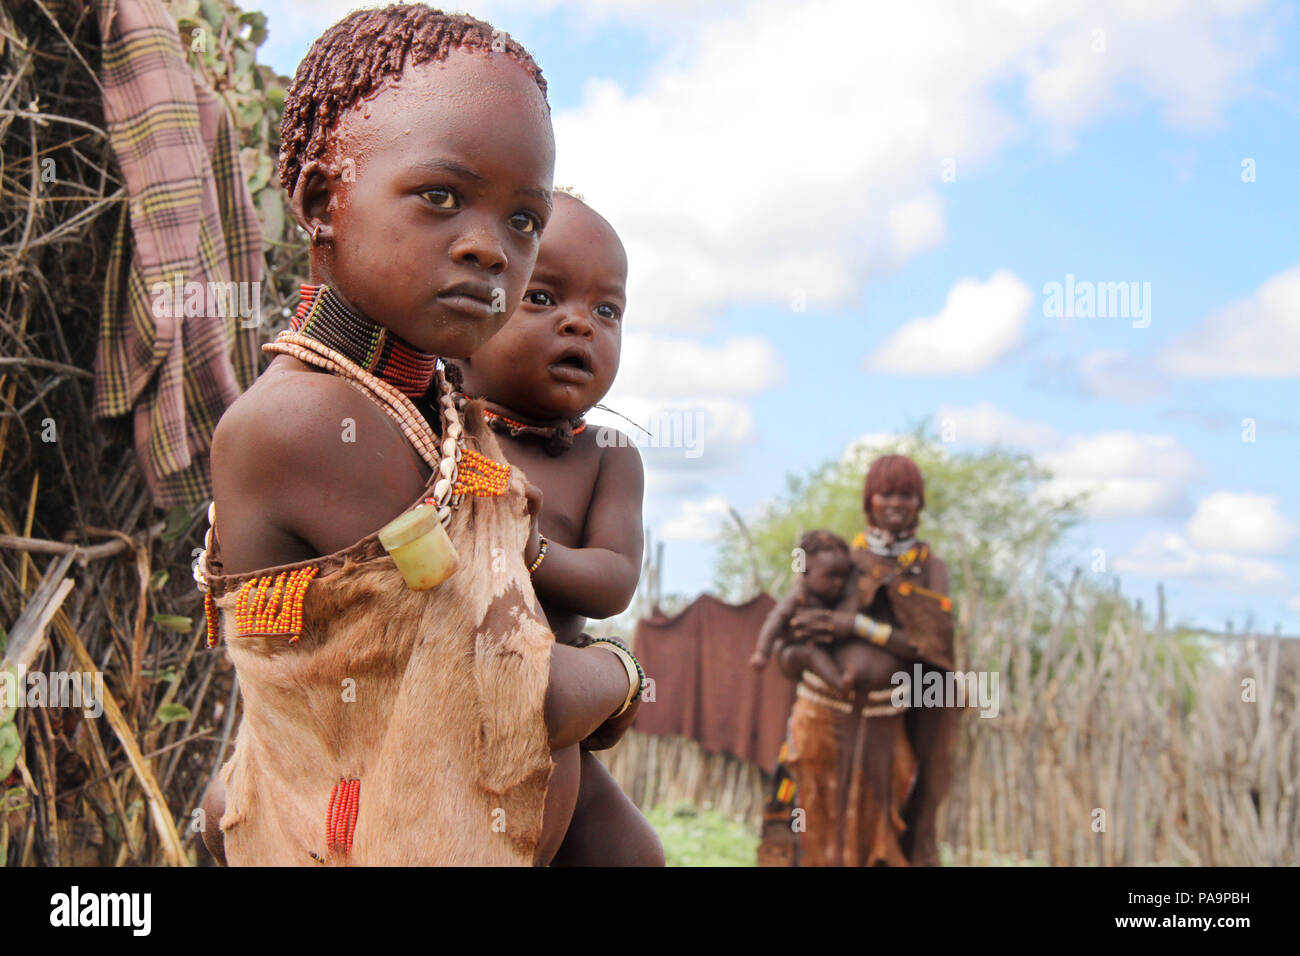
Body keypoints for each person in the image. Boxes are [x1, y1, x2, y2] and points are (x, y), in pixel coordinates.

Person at [197, 5, 641, 866]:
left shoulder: (433, 404)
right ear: (323, 201)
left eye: (523, 220)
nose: (490, 249)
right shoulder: (313, 421)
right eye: (441, 197)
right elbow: (513, 695)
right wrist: (624, 676)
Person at [454, 189, 663, 865]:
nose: (582, 326)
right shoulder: (438, 430)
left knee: (632, 856)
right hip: (448, 691)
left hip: (557, 701)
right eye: (543, 299)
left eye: (607, 310)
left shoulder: (605, 455)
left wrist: (531, 551)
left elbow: (613, 580)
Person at [772, 454, 957, 866]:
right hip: (820, 717)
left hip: (884, 726)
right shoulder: (839, 559)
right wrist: (801, 650)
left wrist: (855, 625)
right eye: (886, 493)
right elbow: (787, 650)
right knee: (810, 828)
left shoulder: (930, 570)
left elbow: (932, 648)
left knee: (882, 835)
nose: (896, 502)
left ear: (920, 502)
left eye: (907, 494)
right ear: (869, 501)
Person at [751, 530, 902, 694]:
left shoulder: (850, 587)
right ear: (806, 573)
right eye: (831, 576)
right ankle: (839, 683)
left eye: (843, 576)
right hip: (799, 652)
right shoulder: (799, 594)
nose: (839, 583)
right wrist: (761, 652)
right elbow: (775, 619)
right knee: (812, 655)